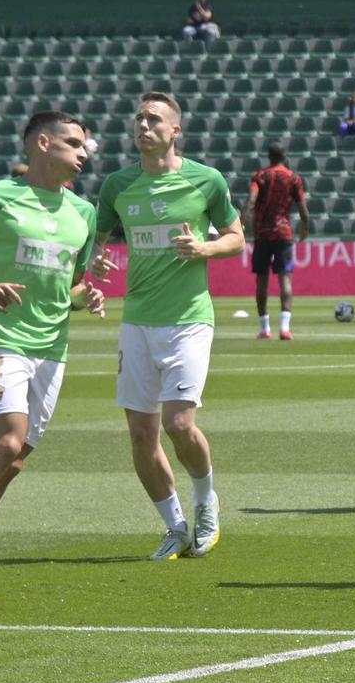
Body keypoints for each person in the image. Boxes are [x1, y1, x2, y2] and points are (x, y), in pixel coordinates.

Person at [0, 110, 106, 603]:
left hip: (54, 350)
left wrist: (85, 296)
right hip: (1, 341)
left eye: (85, 145)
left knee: (16, 460)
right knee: (6, 443)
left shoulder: (85, 213)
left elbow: (71, 284)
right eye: (73, 143)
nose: (83, 152)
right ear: (43, 144)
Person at [92, 92, 245, 563]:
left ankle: (206, 501)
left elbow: (237, 239)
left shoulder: (206, 180)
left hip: (188, 319)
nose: (143, 125)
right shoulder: (118, 185)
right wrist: (95, 261)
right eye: (138, 117)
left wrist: (204, 249)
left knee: (180, 423)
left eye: (154, 118)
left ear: (175, 130)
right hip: (137, 320)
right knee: (141, 433)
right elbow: (97, 241)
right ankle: (175, 526)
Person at [246, 142, 312, 341]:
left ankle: (265, 329)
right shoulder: (293, 178)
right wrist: (305, 228)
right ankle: (285, 328)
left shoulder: (259, 176)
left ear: (268, 156)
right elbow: (303, 209)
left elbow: (250, 201)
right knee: (285, 278)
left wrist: (245, 225)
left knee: (262, 279)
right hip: (284, 232)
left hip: (262, 233)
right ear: (285, 156)